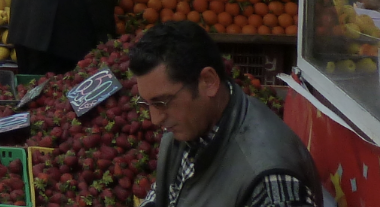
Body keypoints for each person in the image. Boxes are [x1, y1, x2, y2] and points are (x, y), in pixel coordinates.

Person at [131, 22, 319, 207]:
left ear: (208, 81)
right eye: (147, 103)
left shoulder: (269, 183)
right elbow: (169, 192)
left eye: (163, 102)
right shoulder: (191, 126)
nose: (155, 118)